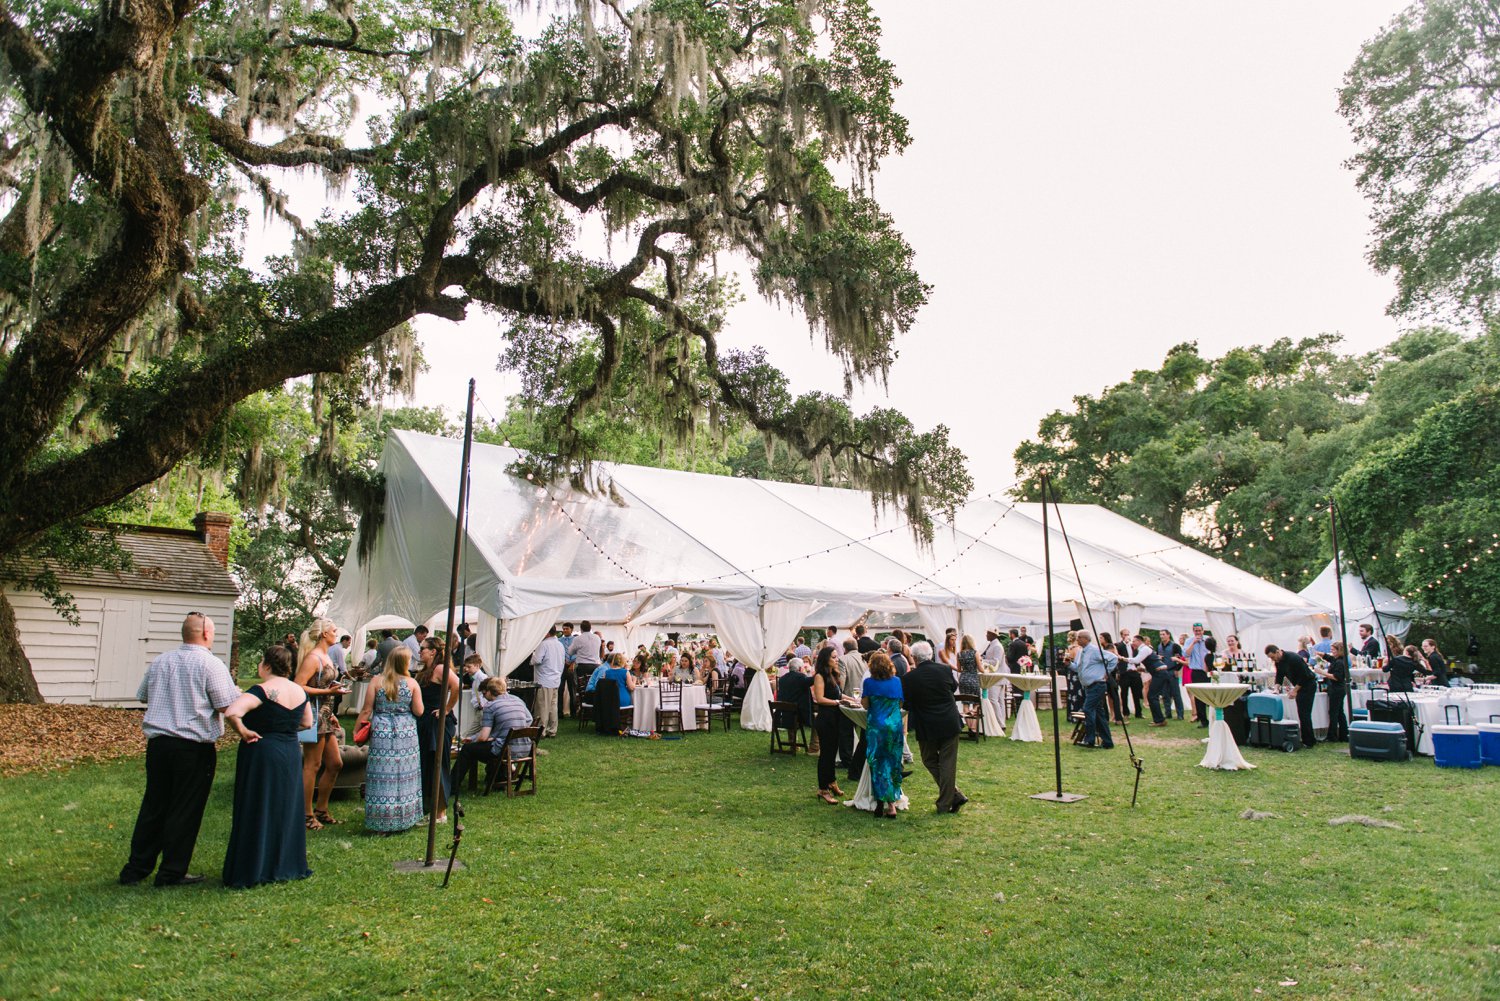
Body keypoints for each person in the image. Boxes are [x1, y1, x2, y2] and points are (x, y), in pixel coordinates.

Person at [119, 612, 240, 887]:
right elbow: (226, 704)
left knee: (154, 804)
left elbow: (143, 695)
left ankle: (135, 869)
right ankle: (171, 871)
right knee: (185, 808)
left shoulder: (161, 661)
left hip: (159, 744)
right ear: (207, 634)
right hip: (192, 747)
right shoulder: (211, 665)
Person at [221, 646, 314, 889]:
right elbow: (307, 722)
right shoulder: (298, 690)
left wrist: (243, 731)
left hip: (263, 751)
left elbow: (232, 712)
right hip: (290, 752)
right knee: (286, 806)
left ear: (268, 665)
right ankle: (284, 864)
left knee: (258, 804)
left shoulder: (262, 690)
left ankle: (255, 866)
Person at [357, 646, 424, 834]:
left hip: (382, 730)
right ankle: (405, 817)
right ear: (405, 662)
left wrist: (357, 729)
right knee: (405, 774)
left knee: (381, 774)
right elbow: (419, 711)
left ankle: (381, 820)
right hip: (406, 732)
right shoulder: (412, 683)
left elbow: (366, 710)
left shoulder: (376, 681)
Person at [901, 642, 966, 814]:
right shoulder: (944, 670)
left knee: (929, 759)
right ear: (930, 655)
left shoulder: (909, 678)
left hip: (927, 725)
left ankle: (945, 804)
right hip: (949, 721)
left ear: (914, 658)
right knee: (947, 762)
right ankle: (955, 795)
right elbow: (953, 687)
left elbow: (906, 703)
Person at [294, 617, 345, 831]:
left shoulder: (326, 656)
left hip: (326, 715)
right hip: (313, 716)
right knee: (312, 765)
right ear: (324, 634)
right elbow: (298, 686)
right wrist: (327, 692)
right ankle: (305, 814)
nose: (336, 633)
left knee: (335, 763)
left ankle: (321, 809)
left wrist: (332, 709)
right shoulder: (313, 657)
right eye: (334, 630)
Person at [449, 676, 534, 795]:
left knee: (468, 750)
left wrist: (473, 740)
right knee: (490, 744)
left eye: (484, 693)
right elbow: (529, 720)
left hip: (505, 750)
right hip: (525, 748)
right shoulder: (517, 700)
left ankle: (451, 785)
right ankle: (498, 780)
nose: (484, 696)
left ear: (489, 692)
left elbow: (483, 737)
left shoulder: (491, 706)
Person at [416, 637, 461, 823]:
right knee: (428, 764)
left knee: (437, 765)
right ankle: (430, 809)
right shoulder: (426, 670)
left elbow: (456, 684)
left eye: (423, 649)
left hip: (437, 722)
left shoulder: (440, 668)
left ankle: (440, 813)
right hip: (426, 721)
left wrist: (447, 708)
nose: (420, 652)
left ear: (433, 651)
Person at [861, 651, 904, 819]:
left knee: (877, 762)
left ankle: (880, 801)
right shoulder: (897, 681)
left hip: (876, 727)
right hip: (894, 726)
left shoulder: (869, 683)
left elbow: (865, 705)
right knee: (893, 761)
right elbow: (900, 703)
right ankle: (891, 804)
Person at [811, 647, 847, 804]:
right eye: (834, 657)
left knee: (833, 752)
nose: (837, 659)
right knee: (826, 754)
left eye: (837, 656)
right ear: (826, 659)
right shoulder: (819, 676)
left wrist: (851, 699)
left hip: (835, 718)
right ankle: (823, 789)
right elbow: (820, 699)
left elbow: (838, 695)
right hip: (826, 719)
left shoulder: (833, 675)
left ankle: (832, 781)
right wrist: (838, 702)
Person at [1266, 645, 1317, 747]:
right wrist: (1276, 688)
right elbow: (1279, 675)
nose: (1273, 660)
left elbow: (1304, 676)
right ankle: (1308, 739)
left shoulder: (1294, 658)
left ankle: (1309, 741)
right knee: (1302, 713)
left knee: (1304, 713)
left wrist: (1295, 690)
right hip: (1300, 685)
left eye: (1273, 657)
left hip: (1308, 685)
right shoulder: (1278, 662)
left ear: (1278, 652)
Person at [1073, 631, 1116, 749]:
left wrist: (1107, 672)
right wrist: (1069, 665)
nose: (1077, 640)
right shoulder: (1082, 651)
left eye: (1079, 638)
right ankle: (1107, 741)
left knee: (1088, 709)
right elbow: (1078, 668)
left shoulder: (1094, 650)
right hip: (1089, 686)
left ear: (1086, 639)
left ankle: (1090, 739)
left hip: (1097, 685)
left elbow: (1113, 658)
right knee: (1099, 713)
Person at [532, 626, 566, 738]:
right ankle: (552, 730)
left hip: (544, 679)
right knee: (553, 707)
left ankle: (541, 731)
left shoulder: (544, 644)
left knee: (542, 706)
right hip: (556, 678)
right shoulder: (560, 645)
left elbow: (537, 660)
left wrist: (532, 655)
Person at [1130, 635, 1172, 726]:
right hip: (1159, 673)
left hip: (1160, 674)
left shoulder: (1144, 649)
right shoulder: (1142, 649)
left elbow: (1136, 660)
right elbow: (1152, 664)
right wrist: (1144, 670)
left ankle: (1159, 720)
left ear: (1139, 641)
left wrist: (1122, 658)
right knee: (1152, 696)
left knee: (1152, 696)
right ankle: (1159, 719)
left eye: (1134, 641)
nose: (1132, 643)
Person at [1314, 641, 1350, 743]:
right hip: (1338, 689)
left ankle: (1332, 735)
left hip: (1336, 689)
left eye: (1334, 650)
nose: (1332, 652)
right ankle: (1343, 734)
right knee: (1339, 712)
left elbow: (1336, 677)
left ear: (1339, 650)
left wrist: (1322, 673)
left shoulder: (1339, 663)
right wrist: (1322, 654)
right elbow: (1331, 658)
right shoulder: (1338, 660)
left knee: (1334, 712)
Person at [565, 620, 602, 718]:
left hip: (583, 666)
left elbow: (570, 652)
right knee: (594, 687)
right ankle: (594, 711)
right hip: (595, 666)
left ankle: (583, 711)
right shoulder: (597, 638)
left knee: (581, 690)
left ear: (581, 629)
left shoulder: (578, 639)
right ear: (590, 628)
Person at [1183, 624, 1210, 727]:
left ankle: (1213, 717)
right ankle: (1203, 720)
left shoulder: (1208, 639)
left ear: (1203, 631)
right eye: (1196, 631)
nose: (1198, 632)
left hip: (1208, 671)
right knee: (1198, 696)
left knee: (1210, 694)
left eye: (1199, 630)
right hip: (1196, 671)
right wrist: (1193, 643)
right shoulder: (1189, 641)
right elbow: (1186, 654)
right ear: (1193, 631)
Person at [1157, 629, 1185, 720]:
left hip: (1172, 671)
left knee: (1176, 694)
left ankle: (1180, 714)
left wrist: (1177, 669)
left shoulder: (1175, 646)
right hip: (1163, 672)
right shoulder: (1159, 646)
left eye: (1163, 634)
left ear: (1168, 635)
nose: (1162, 636)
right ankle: (1167, 713)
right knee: (1165, 694)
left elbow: (1180, 659)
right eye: (1160, 634)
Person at [1115, 629, 1143, 719]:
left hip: (1134, 671)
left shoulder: (1133, 646)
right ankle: (1126, 713)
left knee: (1137, 693)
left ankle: (1138, 713)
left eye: (1128, 634)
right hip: (1125, 672)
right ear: (1121, 635)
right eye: (1125, 634)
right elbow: (1118, 652)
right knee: (1124, 693)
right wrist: (1125, 643)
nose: (1126, 636)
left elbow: (1137, 655)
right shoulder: (1119, 645)